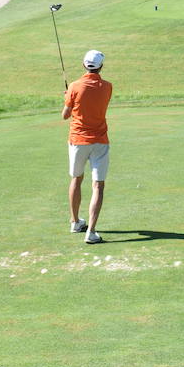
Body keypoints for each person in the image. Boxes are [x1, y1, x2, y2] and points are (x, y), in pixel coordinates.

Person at [61, 49, 112, 245]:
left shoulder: (74, 86)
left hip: (77, 140)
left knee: (77, 178)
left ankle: (75, 222)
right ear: (101, 66)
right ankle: (90, 231)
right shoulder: (107, 87)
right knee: (98, 185)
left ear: (84, 65)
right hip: (99, 141)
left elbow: (65, 115)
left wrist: (69, 98)